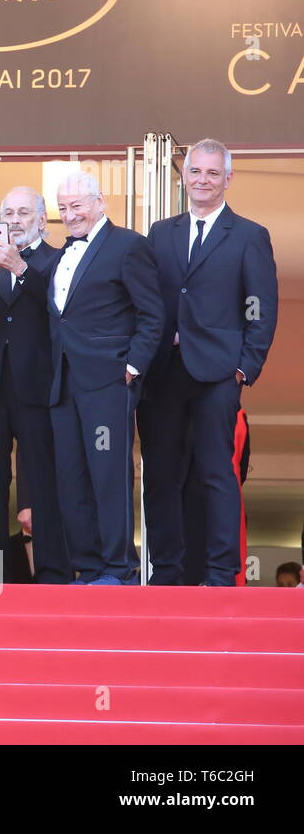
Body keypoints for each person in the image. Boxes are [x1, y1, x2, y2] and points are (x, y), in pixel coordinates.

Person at [139, 139, 278, 587]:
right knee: (160, 473)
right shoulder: (161, 232)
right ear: (184, 176)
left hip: (218, 373)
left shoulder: (249, 235)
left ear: (227, 179)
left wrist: (244, 367)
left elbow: (260, 306)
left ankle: (221, 571)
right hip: (164, 371)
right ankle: (166, 570)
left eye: (212, 173)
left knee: (217, 471)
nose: (202, 180)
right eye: (196, 171)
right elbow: (150, 299)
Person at [47, 171, 163, 585]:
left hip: (108, 384)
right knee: (72, 478)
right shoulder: (63, 253)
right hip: (63, 384)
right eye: (62, 208)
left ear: (100, 203)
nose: (70, 214)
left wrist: (131, 367)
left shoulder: (128, 245)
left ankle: (119, 567)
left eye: (77, 205)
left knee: (108, 475)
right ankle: (90, 567)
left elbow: (152, 313)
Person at [0, 186, 69, 583]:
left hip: (38, 386)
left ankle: (53, 570)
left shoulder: (59, 259)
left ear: (41, 220)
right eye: (8, 213)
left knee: (41, 479)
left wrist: (21, 267)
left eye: (24, 213)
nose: (15, 220)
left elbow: (60, 308)